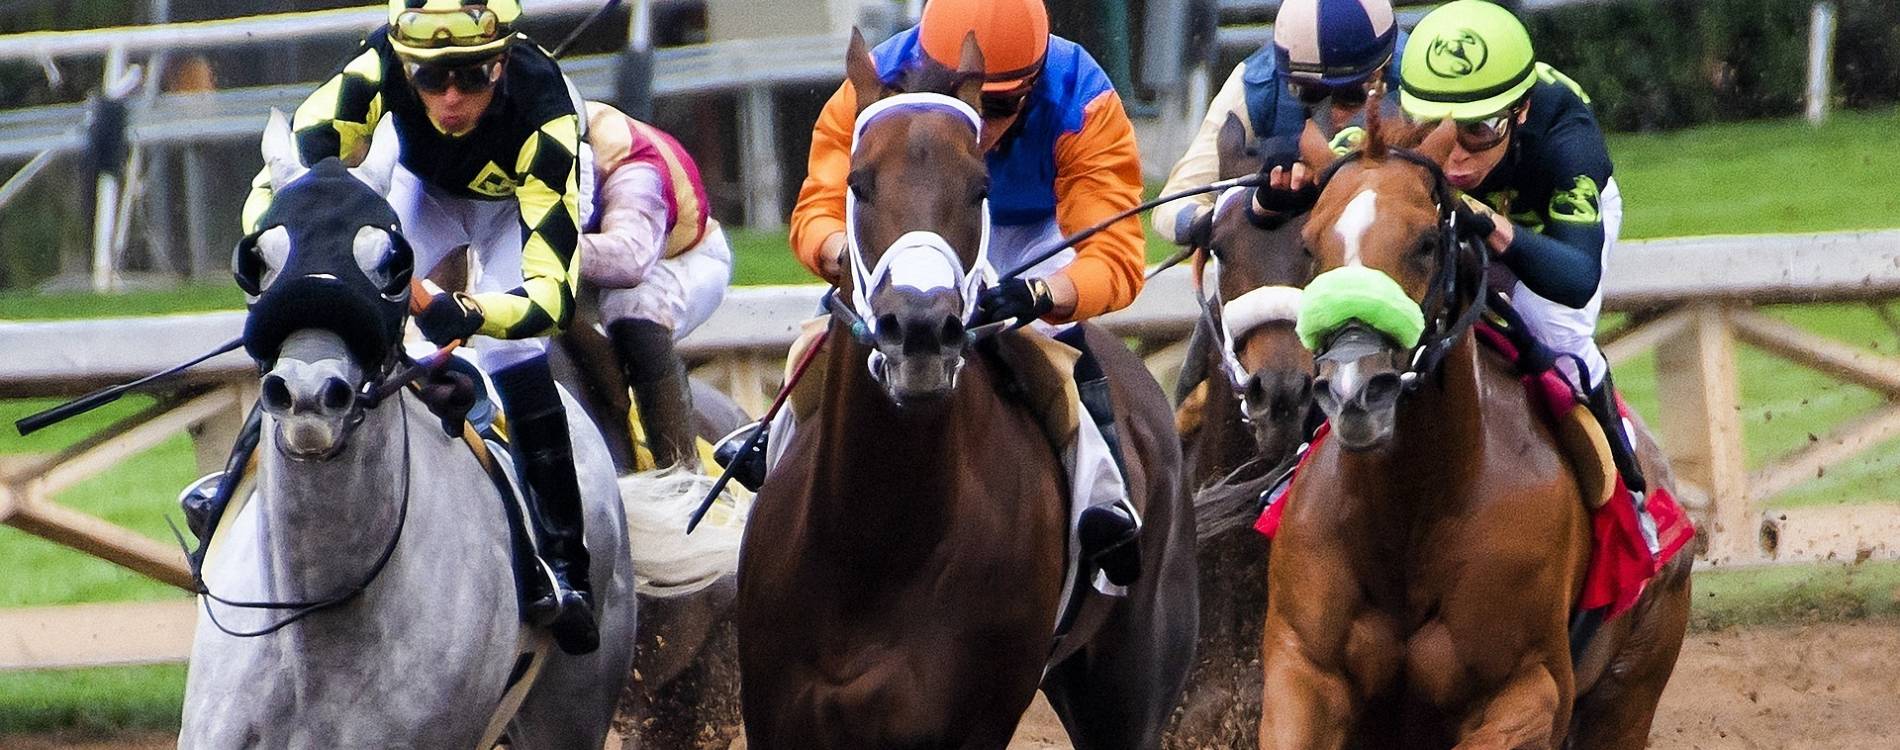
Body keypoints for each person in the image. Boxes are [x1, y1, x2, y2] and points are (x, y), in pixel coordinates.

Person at [722, 0, 1149, 586]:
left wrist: (1044, 292)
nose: (981, 126)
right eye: (969, 99)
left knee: (1055, 341)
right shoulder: (871, 84)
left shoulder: (1085, 100)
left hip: (1036, 232)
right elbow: (818, 210)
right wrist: (851, 261)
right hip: (919, 228)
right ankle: (772, 450)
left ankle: (1103, 493)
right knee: (827, 331)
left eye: (998, 107)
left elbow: (1116, 254)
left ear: (1034, 80)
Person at [231, 0, 599, 654]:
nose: (450, 98)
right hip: (425, 191)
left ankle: (566, 567)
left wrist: (472, 311)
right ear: (405, 64)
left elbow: (551, 297)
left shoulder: (547, 115)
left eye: (470, 78)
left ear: (501, 62)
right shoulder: (375, 63)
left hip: (519, 205)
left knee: (517, 354)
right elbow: (283, 180)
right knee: (317, 312)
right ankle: (231, 481)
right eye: (430, 80)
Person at [1397, 0, 1659, 556]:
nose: (1453, 157)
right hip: (1463, 216)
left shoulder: (1568, 136)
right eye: (1433, 131)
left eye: (1478, 130)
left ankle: (1631, 492)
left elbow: (1576, 277)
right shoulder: (1410, 116)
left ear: (1519, 113)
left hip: (1548, 226)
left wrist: (1488, 225)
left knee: (1557, 334)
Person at [1152, 0, 1406, 401]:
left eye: (1353, 95)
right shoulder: (1252, 82)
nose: (1333, 114)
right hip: (1285, 273)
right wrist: (1216, 222)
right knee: (1198, 386)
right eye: (1309, 92)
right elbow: (1171, 208)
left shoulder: (1422, 77)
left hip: (1392, 272)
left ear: (1384, 67)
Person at [580, 101, 731, 470]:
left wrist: (532, 248)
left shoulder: (624, 153)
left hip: (674, 259)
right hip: (581, 270)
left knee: (632, 311)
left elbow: (630, 259)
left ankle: (680, 471)